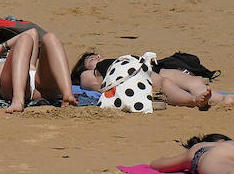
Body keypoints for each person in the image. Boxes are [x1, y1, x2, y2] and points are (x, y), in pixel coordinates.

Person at [73, 52, 234, 109]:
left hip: (146, 67)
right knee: (165, 84)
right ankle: (193, 100)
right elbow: (96, 85)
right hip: (133, 73)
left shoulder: (117, 59)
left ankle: (225, 99)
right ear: (84, 68)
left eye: (97, 55)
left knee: (195, 81)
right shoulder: (87, 74)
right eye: (91, 59)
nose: (97, 57)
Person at [149, 135, 234, 174]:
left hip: (211, 155)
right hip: (227, 148)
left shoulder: (197, 148)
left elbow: (158, 165)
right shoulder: (227, 144)